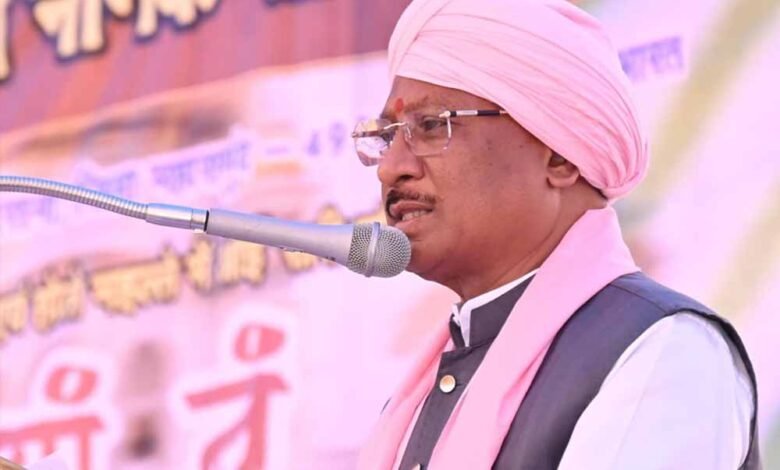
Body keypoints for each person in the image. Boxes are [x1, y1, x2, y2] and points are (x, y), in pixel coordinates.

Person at [352, 1, 760, 469]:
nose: (391, 167)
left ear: (559, 156)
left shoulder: (662, 352)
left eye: (430, 126)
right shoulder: (427, 388)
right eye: (387, 136)